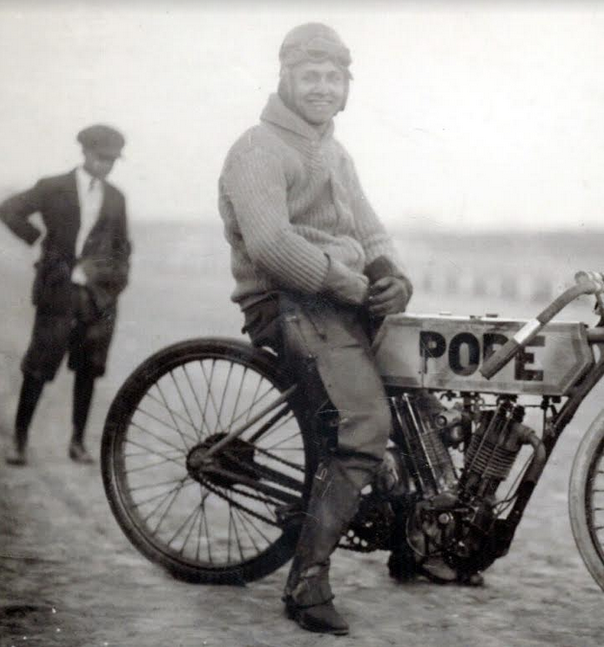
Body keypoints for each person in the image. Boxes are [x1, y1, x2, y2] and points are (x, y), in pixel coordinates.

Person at [218, 23, 413, 635]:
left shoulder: (334, 150)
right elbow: (272, 245)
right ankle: (306, 581)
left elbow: (370, 229)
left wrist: (391, 276)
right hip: (286, 302)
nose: (323, 88)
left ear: (346, 86)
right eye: (310, 77)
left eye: (333, 78)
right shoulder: (258, 148)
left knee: (421, 397)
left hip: (340, 301)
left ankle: (415, 540)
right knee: (365, 426)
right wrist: (350, 285)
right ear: (285, 79)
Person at [1, 125, 130, 466]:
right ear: (85, 152)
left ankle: (77, 443)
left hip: (97, 298)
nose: (106, 165)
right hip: (57, 292)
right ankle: (20, 441)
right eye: (101, 158)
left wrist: (112, 282)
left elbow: (122, 248)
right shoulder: (52, 186)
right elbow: (9, 209)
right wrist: (38, 243)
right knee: (38, 366)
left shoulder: (116, 197)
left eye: (112, 160)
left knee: (88, 368)